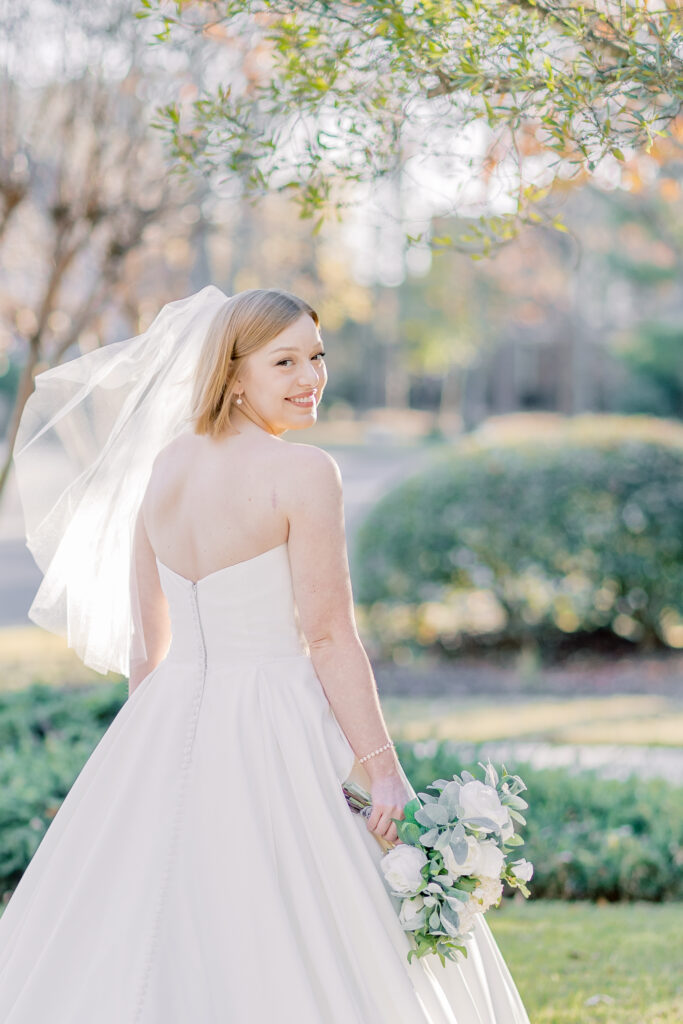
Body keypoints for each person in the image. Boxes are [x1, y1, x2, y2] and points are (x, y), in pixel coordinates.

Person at [0, 286, 531, 1022]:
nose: (309, 377)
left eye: (316, 356)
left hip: (166, 711)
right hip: (275, 715)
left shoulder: (165, 466)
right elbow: (326, 636)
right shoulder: (304, 472)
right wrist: (384, 771)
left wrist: (143, 757)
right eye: (283, 361)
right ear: (233, 372)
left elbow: (148, 651)